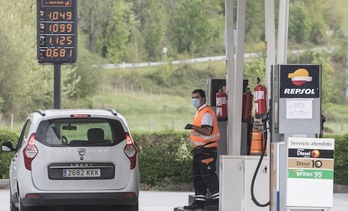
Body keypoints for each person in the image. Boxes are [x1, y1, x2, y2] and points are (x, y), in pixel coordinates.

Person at [183, 89, 221, 211]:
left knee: (208, 176)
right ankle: (199, 202)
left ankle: (218, 201)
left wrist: (192, 126)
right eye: (193, 97)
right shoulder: (199, 112)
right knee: (198, 177)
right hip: (200, 150)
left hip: (207, 150)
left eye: (197, 97)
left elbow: (207, 131)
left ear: (204, 98)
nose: (194, 100)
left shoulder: (206, 113)